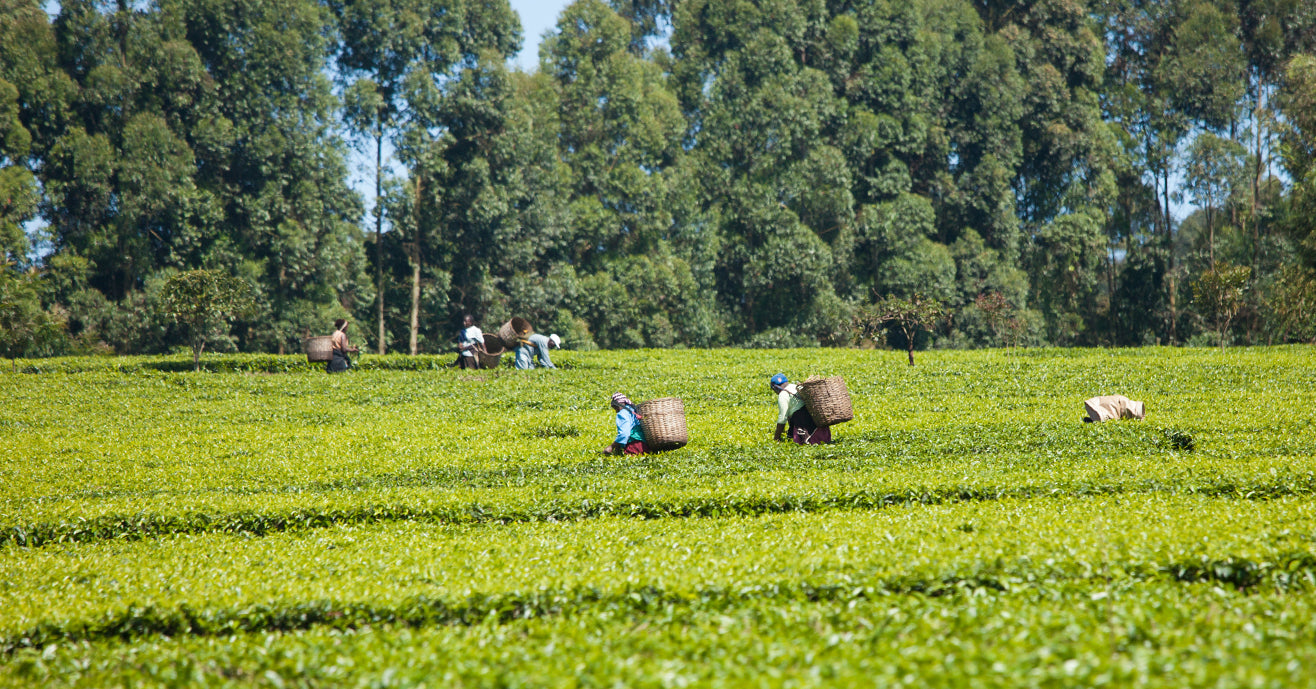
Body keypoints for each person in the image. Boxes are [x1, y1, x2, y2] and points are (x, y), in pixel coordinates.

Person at [770, 373, 831, 444]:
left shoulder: (783, 394)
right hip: (819, 425)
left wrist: (776, 438)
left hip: (805, 425)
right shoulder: (796, 387)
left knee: (806, 446)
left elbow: (782, 418)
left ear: (775, 387)